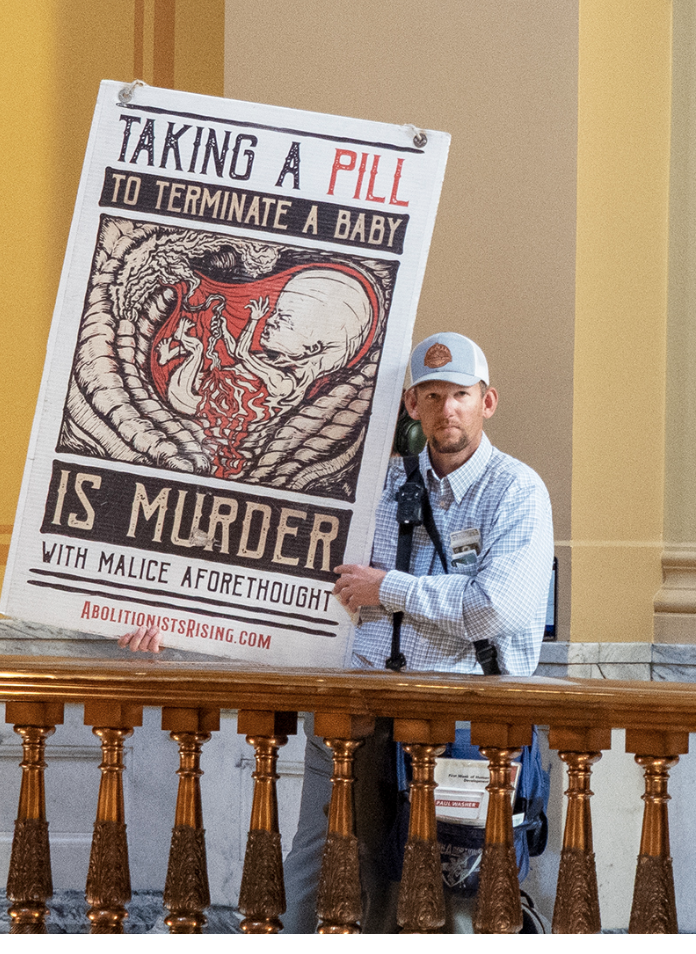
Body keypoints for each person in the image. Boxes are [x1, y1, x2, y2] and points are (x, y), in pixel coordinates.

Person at [123, 331, 554, 932]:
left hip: (463, 723)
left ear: (488, 401)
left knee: (456, 895)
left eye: (459, 394)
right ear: (412, 405)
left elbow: (496, 607)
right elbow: (275, 579)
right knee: (321, 871)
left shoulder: (517, 491)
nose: (446, 409)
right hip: (355, 712)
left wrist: (389, 588)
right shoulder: (369, 488)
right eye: (431, 396)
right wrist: (175, 619)